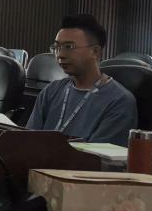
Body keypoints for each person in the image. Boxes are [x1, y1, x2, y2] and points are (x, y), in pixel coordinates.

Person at [27, 13, 137, 145]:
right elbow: (28, 140)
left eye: (69, 47)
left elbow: (98, 155)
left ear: (95, 52)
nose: (60, 55)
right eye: (56, 47)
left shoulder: (119, 101)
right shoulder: (52, 90)